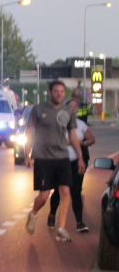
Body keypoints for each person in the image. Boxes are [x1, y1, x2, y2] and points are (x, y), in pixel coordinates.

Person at [24, 80, 85, 242]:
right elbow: (29, 132)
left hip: (62, 157)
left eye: (62, 91)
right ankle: (33, 214)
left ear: (65, 94)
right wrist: (27, 154)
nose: (59, 94)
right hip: (43, 157)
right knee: (44, 196)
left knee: (65, 191)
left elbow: (73, 135)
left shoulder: (68, 111)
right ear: (49, 93)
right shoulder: (38, 109)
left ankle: (61, 228)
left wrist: (80, 157)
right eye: (56, 91)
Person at [48, 98, 95, 232]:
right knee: (59, 191)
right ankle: (52, 214)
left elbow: (92, 139)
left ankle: (79, 223)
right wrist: (68, 142)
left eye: (75, 107)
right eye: (70, 106)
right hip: (60, 162)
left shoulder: (81, 124)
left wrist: (82, 143)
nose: (73, 109)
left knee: (76, 191)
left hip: (76, 162)